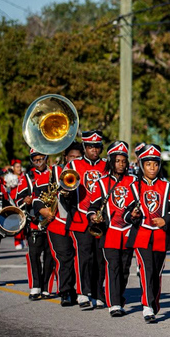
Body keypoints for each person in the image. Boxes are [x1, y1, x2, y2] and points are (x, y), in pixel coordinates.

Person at [86, 141, 138, 317]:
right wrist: (93, 216)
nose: (121, 164)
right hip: (110, 232)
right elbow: (92, 206)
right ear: (111, 161)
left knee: (124, 268)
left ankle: (118, 296)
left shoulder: (134, 181)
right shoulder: (101, 182)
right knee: (113, 266)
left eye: (124, 161)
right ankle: (114, 304)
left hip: (129, 231)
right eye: (117, 161)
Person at [129, 144, 170, 323]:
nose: (152, 168)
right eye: (148, 164)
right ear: (142, 165)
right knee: (147, 269)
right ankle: (147, 306)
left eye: (155, 164)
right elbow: (126, 211)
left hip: (160, 235)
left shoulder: (167, 186)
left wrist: (166, 220)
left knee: (156, 272)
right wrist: (132, 215)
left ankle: (154, 303)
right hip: (141, 234)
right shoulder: (134, 186)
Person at [39, 143, 85, 307]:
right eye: (72, 157)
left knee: (80, 258)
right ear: (66, 158)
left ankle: (81, 290)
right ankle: (65, 291)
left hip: (79, 223)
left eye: (78, 157)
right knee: (64, 258)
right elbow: (39, 194)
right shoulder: (55, 172)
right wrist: (42, 210)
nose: (75, 160)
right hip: (58, 223)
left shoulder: (85, 173)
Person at [67, 131, 109, 308]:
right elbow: (66, 188)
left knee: (100, 258)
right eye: (90, 146)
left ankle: (98, 293)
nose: (94, 150)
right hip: (80, 217)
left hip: (101, 218)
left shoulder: (107, 165)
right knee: (84, 256)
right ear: (84, 147)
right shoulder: (74, 165)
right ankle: (83, 292)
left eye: (97, 146)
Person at [16, 149, 56, 300]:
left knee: (50, 256)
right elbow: (17, 200)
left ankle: (46, 288)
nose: (39, 163)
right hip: (34, 222)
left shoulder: (54, 173)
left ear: (46, 158)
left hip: (52, 221)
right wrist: (25, 201)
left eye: (41, 159)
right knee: (33, 255)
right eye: (35, 160)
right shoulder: (27, 177)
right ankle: (35, 286)